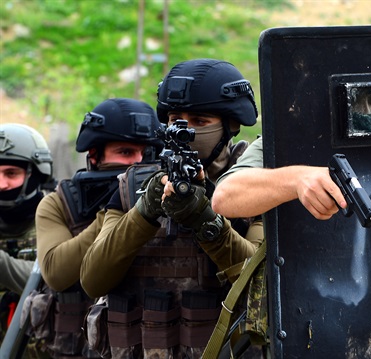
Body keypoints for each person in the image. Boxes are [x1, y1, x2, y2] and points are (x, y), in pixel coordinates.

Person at [80, 58, 262, 358]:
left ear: (230, 126)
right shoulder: (133, 185)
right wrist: (145, 210)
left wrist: (206, 220)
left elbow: (260, 288)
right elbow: (93, 279)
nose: (183, 131)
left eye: (199, 122)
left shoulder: (255, 183)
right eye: (175, 119)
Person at [31, 98, 164, 358]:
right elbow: (56, 272)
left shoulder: (164, 197)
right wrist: (112, 212)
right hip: (77, 348)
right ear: (94, 155)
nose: (136, 163)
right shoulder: (59, 203)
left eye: (146, 154)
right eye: (125, 152)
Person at [0, 123, 53, 343]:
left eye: (11, 173)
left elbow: (54, 280)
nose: (1, 184)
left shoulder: (59, 219)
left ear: (35, 175)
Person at [212, 135, 347, 221]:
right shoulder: (279, 141)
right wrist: (297, 179)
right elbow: (224, 198)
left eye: (369, 101)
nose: (365, 110)